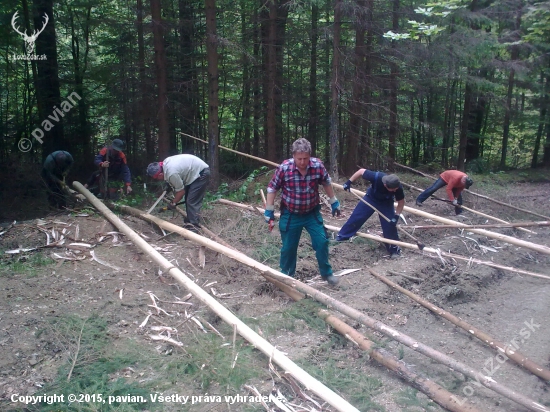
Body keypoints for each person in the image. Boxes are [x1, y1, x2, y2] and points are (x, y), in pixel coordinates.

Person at [264, 138, 341, 285]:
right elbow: (272, 188)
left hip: (312, 213)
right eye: (299, 158)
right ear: (293, 156)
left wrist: (334, 202)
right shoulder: (284, 168)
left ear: (309, 155)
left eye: (305, 158)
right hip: (291, 214)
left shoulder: (317, 166)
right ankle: (286, 277)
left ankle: (327, 274)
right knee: (289, 248)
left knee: (322, 242)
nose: (302, 162)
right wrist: (269, 211)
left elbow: (326, 182)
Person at [337, 169, 404, 258]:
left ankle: (394, 249)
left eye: (396, 189)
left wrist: (396, 216)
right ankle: (342, 236)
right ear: (385, 185)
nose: (395, 190)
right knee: (357, 217)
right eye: (393, 189)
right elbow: (361, 171)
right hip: (371, 198)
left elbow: (401, 202)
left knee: (389, 226)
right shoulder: (376, 177)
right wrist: (349, 182)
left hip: (386, 204)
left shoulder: (398, 187)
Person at [147, 154, 210, 232]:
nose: (158, 180)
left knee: (192, 201)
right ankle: (189, 222)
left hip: (201, 173)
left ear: (160, 174)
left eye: (157, 178)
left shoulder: (171, 173)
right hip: (192, 173)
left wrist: (173, 203)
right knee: (188, 199)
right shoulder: (165, 164)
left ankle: (194, 228)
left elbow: (181, 192)